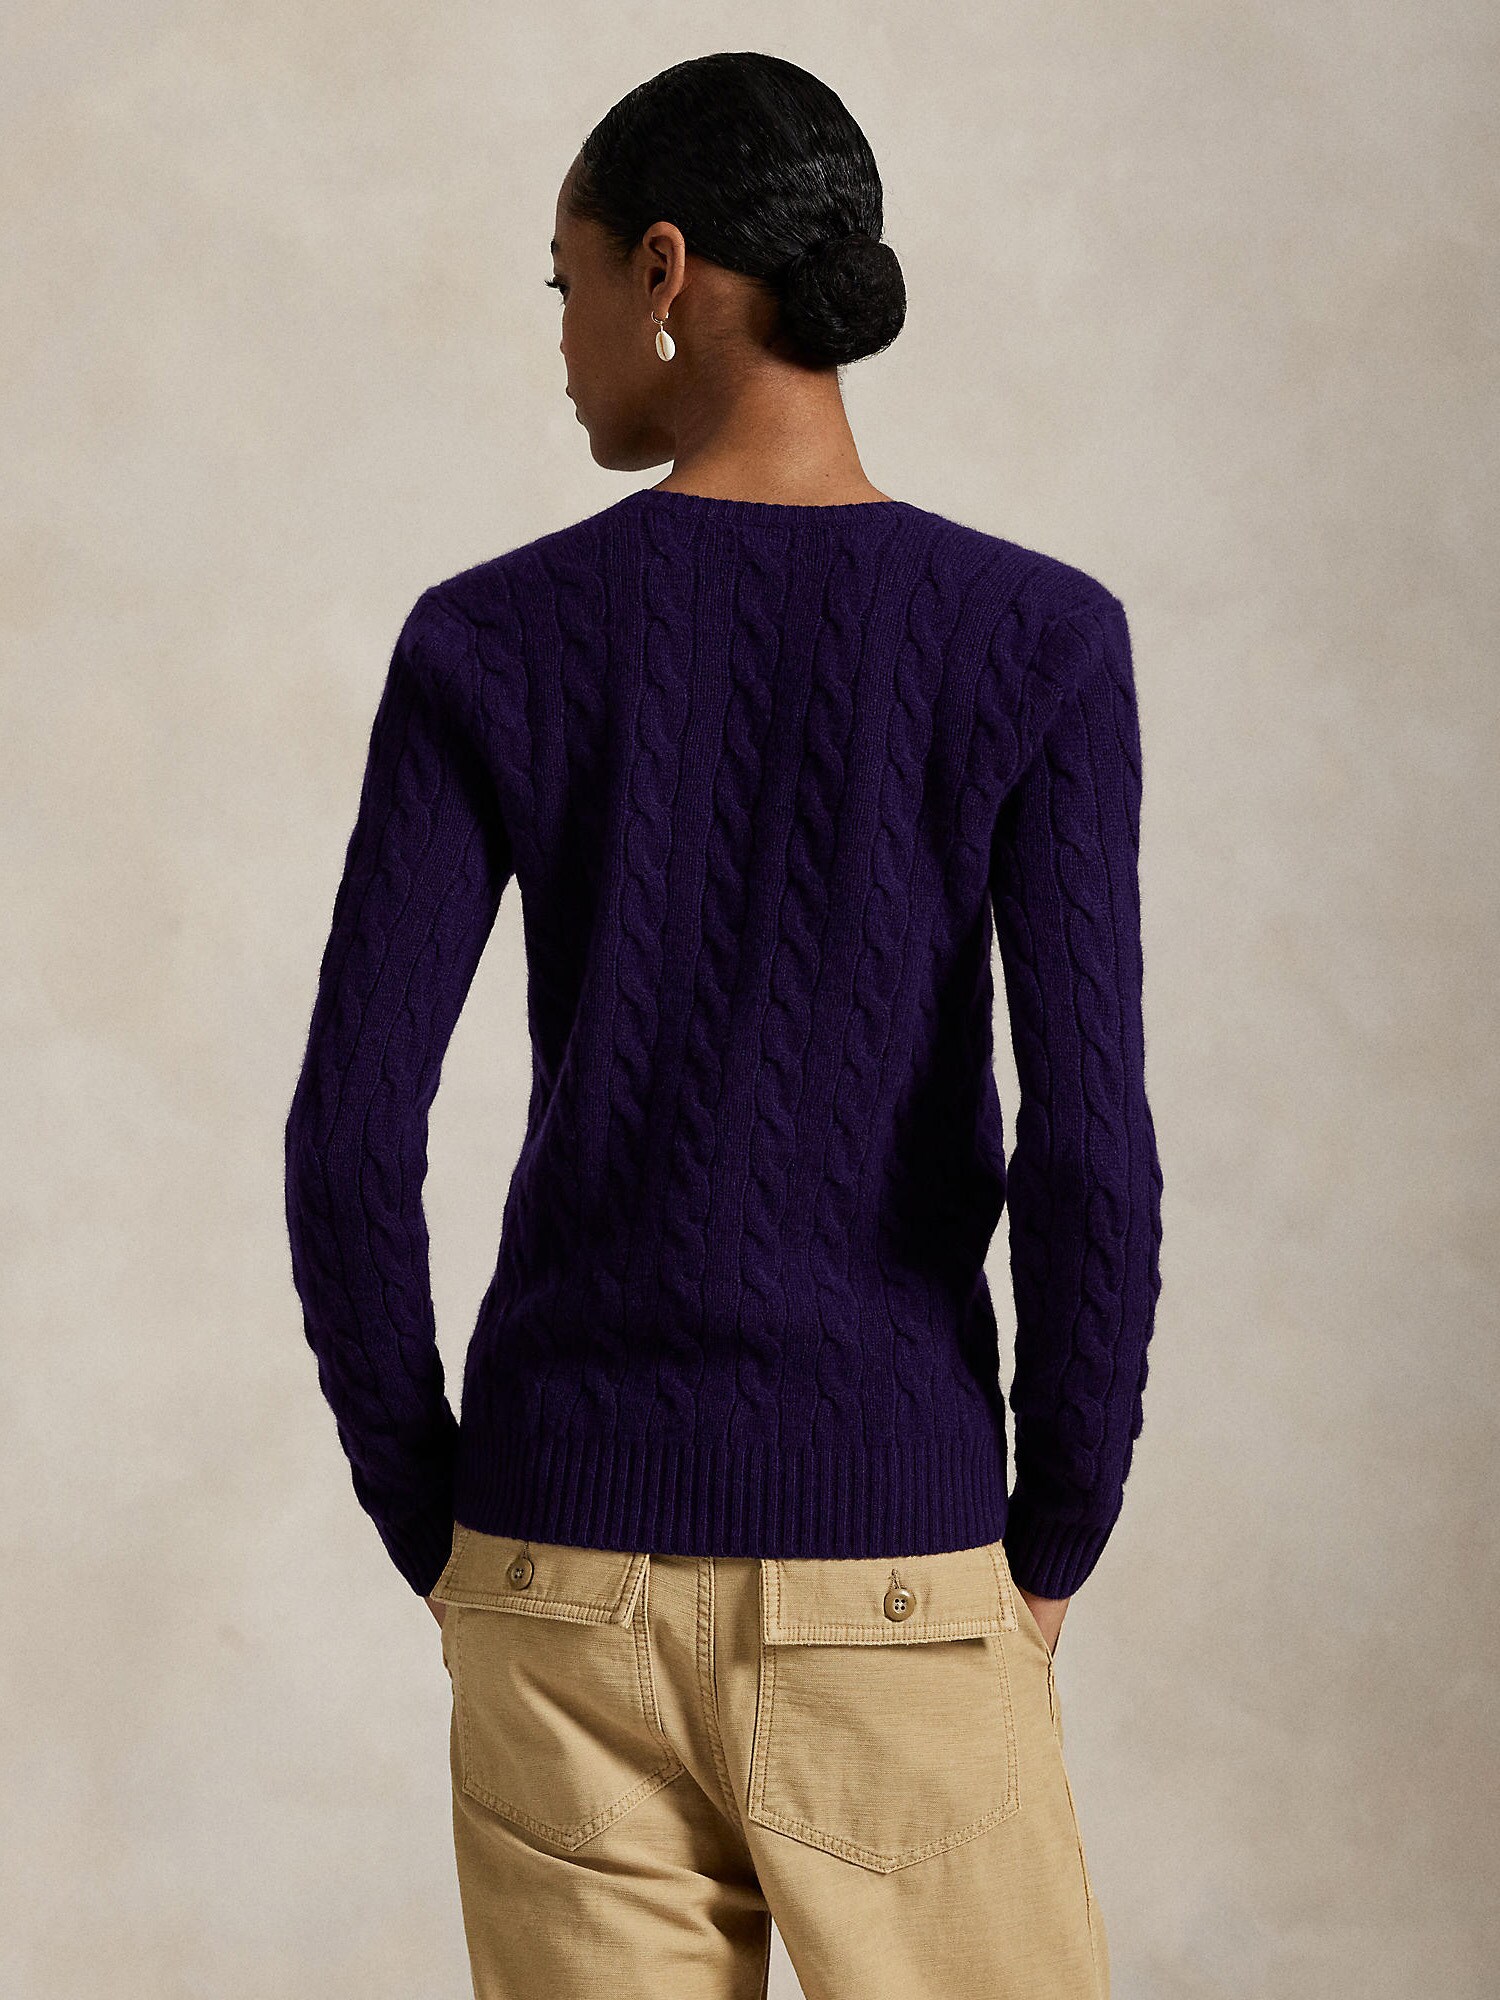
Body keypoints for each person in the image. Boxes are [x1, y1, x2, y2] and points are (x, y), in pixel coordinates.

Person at [283, 50, 1162, 2000]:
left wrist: (440, 1523)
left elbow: (347, 1138)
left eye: (567, 281)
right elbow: (1088, 1151)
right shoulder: (1035, 638)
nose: (563, 338)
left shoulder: (489, 639)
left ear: (665, 271)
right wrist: (1051, 1540)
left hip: (555, 1568)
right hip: (896, 1558)